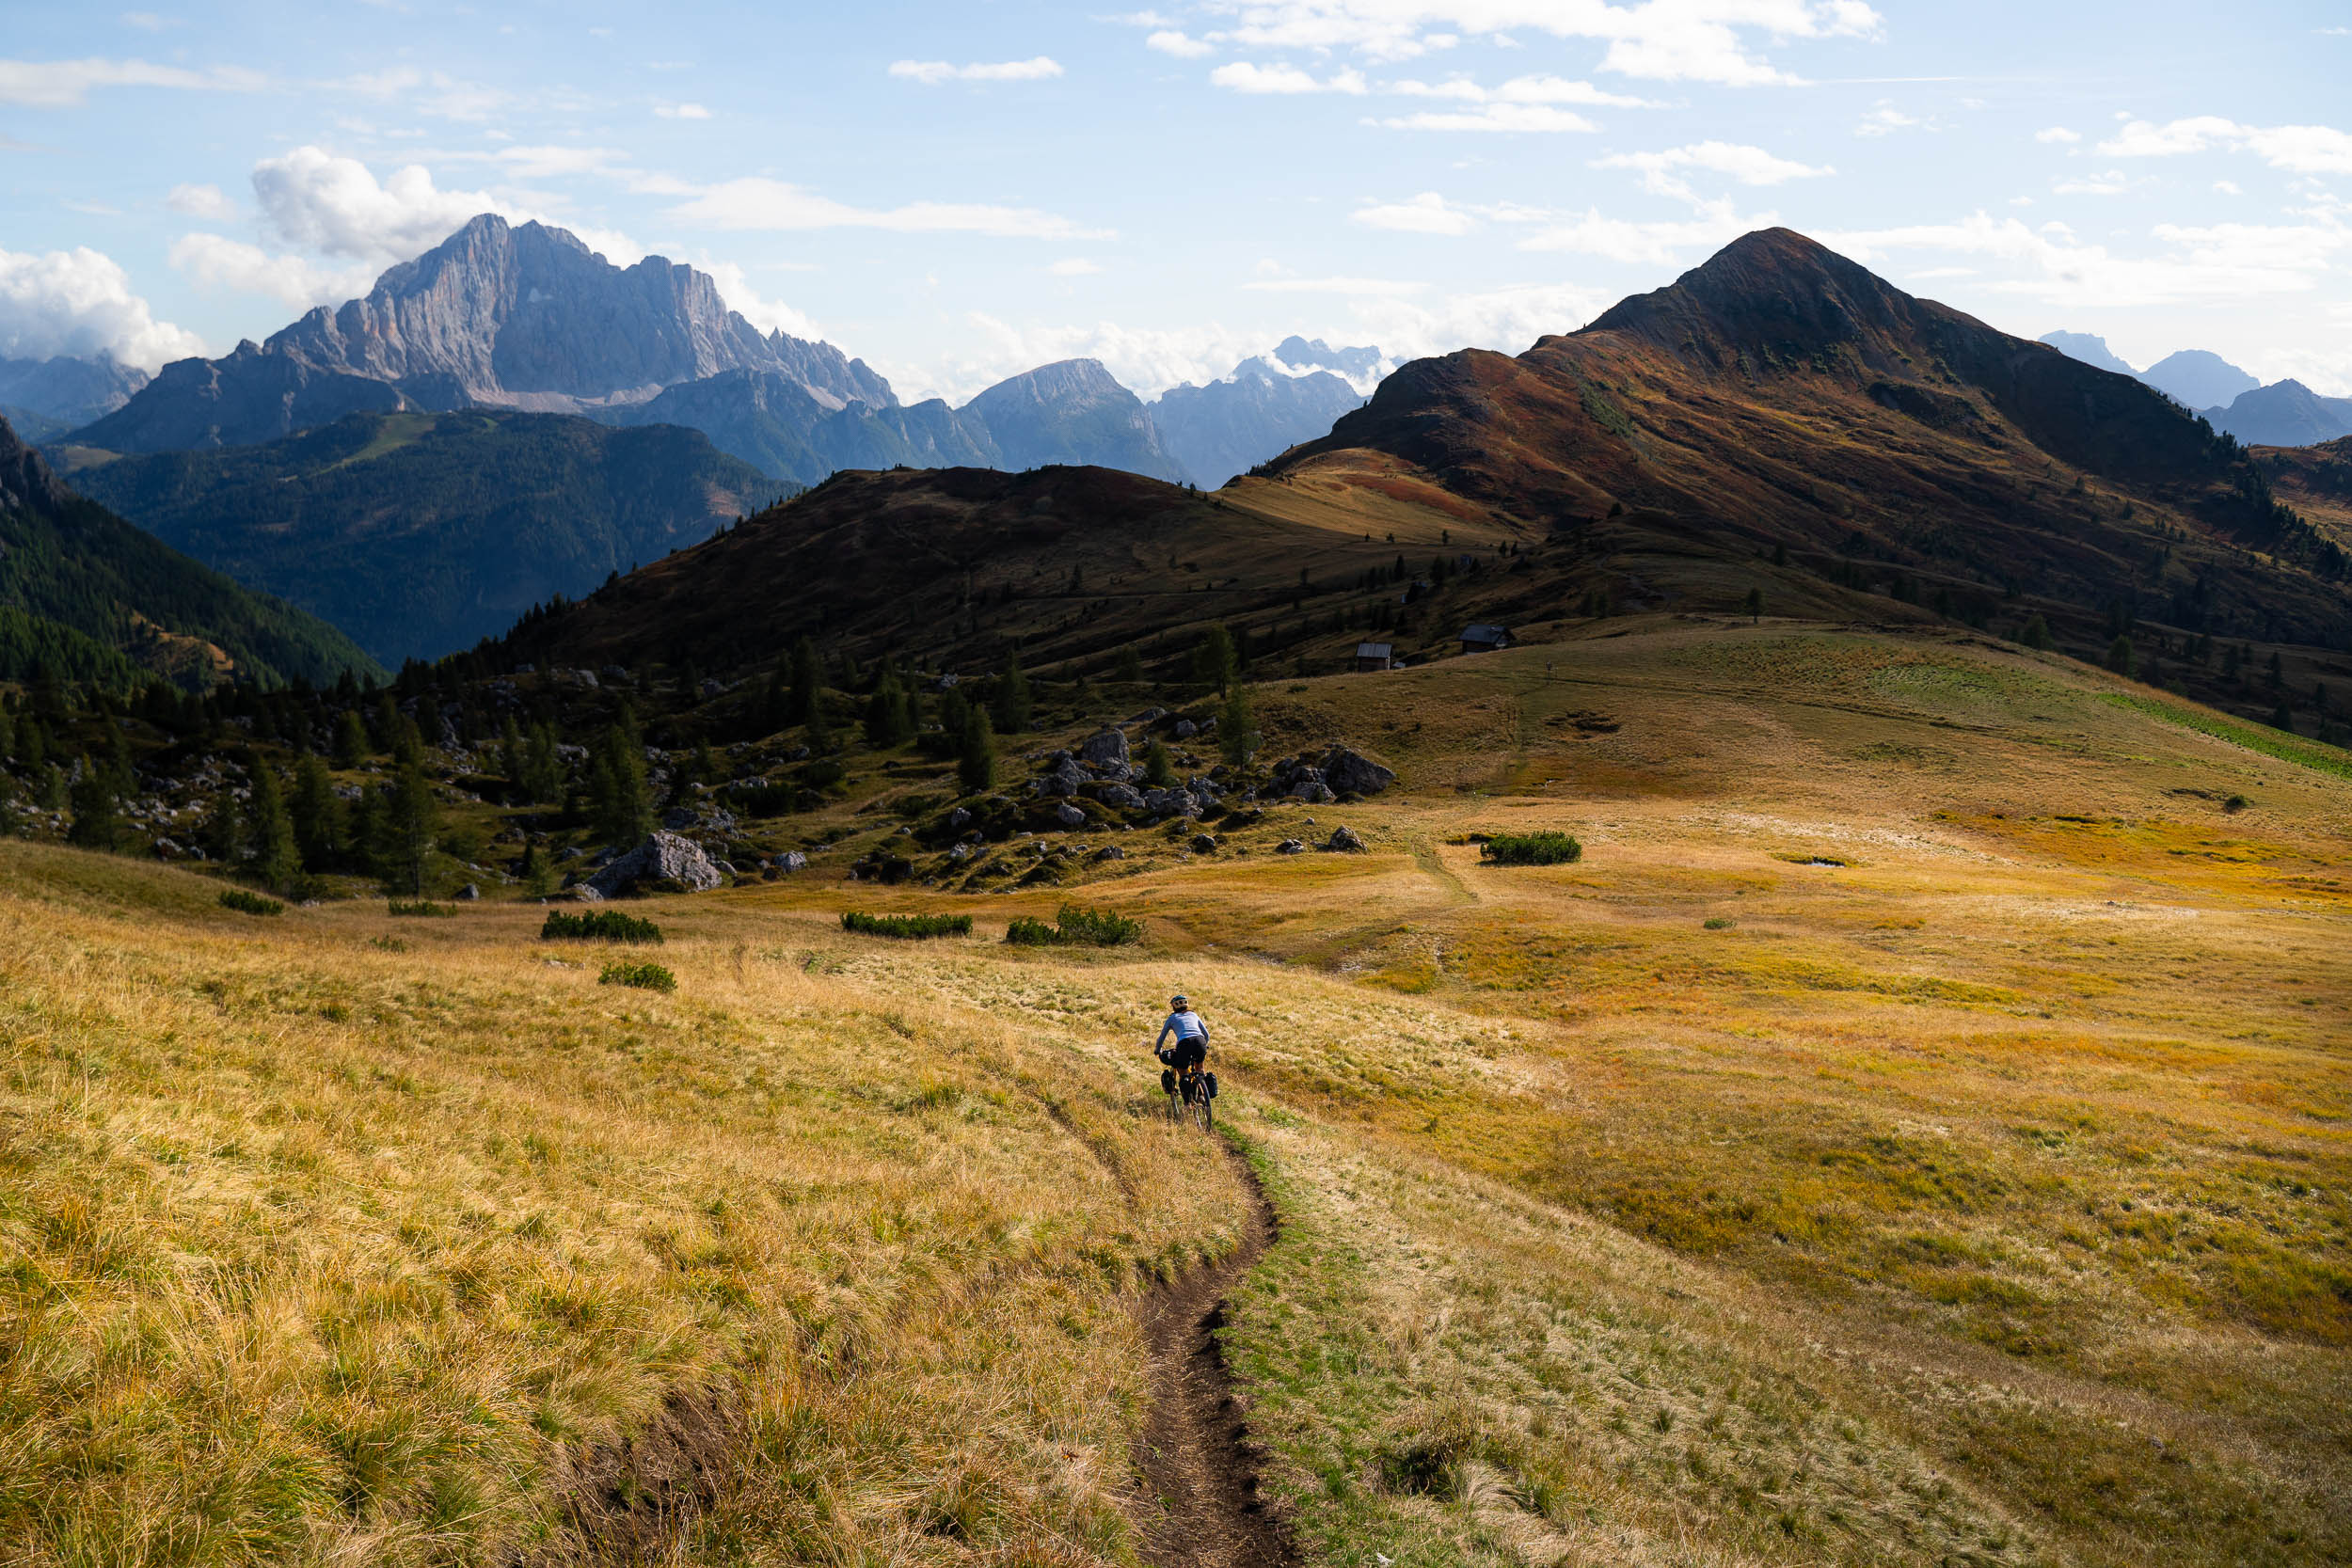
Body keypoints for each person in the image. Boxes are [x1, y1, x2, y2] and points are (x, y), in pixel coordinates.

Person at [1153, 994, 1210, 1081]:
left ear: (1174, 1007)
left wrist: (1157, 1050)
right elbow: (1206, 1035)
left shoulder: (1172, 1018)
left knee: (1183, 1070)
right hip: (1200, 1040)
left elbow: (1162, 1037)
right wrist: (1204, 1045)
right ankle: (1203, 1093)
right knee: (1200, 1069)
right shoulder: (1193, 1015)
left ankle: (1187, 1092)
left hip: (1184, 1043)